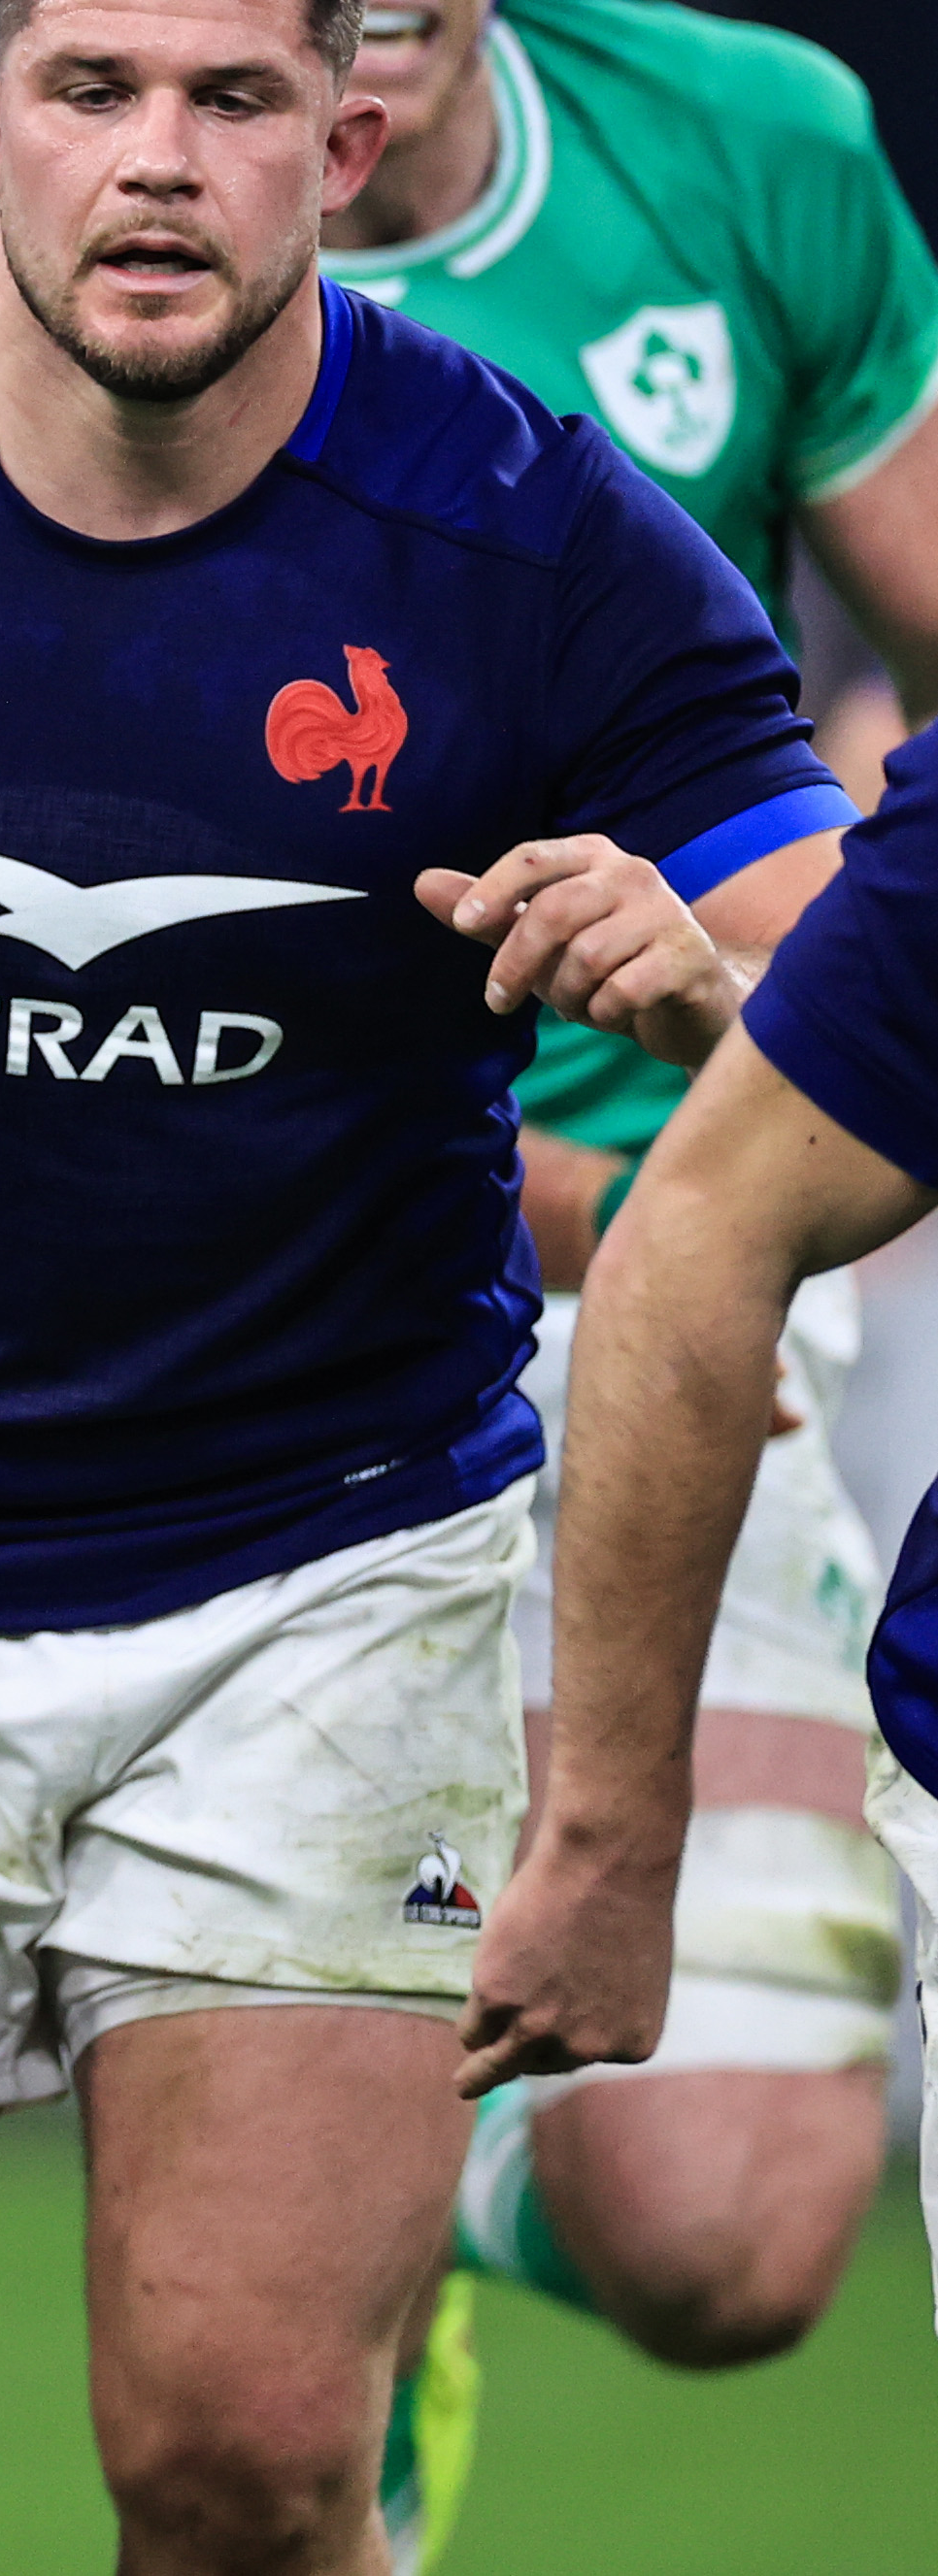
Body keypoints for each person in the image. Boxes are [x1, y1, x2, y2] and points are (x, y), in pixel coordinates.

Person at [0, 0, 861, 2567]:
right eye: (94, 92)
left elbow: (856, 1019)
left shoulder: (534, 530)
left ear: (343, 144)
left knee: (254, 2459)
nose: (156, 164)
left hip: (325, 1562)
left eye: (232, 102)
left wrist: (707, 996)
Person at [302, 6, 938, 2539]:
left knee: (732, 2229)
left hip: (709, 1228)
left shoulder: (741, 143)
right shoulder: (86, 278)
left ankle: (404, 2192)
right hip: (304, 1296)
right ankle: (302, 2179)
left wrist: (788, 985)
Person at [477, 718, 938, 2345]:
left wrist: (737, 1014)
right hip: (249, 1360)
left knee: (726, 2239)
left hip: (656, 1237)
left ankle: (395, 2163)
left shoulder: (662, 560)